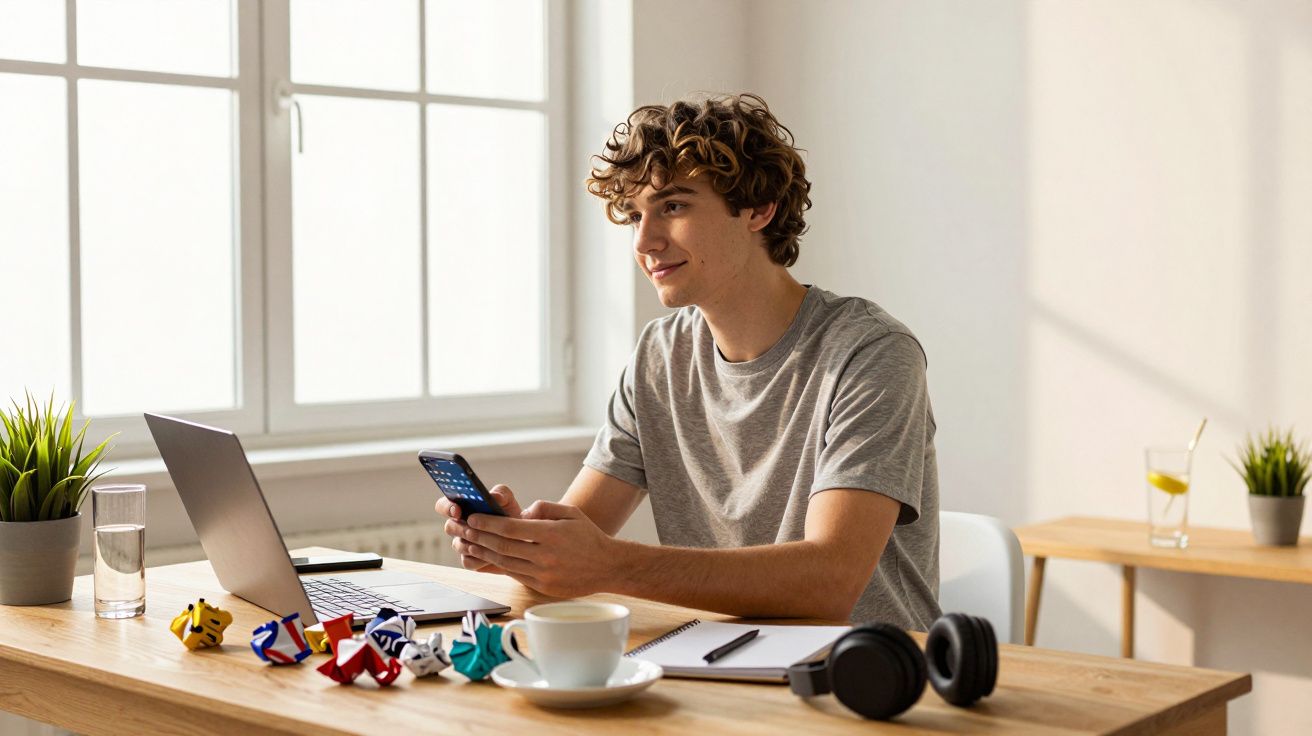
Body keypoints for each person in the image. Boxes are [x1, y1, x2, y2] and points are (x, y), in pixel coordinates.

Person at [437, 93, 940, 628]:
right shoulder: (660, 356)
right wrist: (519, 546)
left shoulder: (870, 352)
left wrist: (610, 564)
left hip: (866, 666)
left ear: (759, 209)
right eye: (635, 215)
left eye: (673, 206)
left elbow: (830, 582)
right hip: (717, 658)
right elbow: (576, 547)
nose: (645, 241)